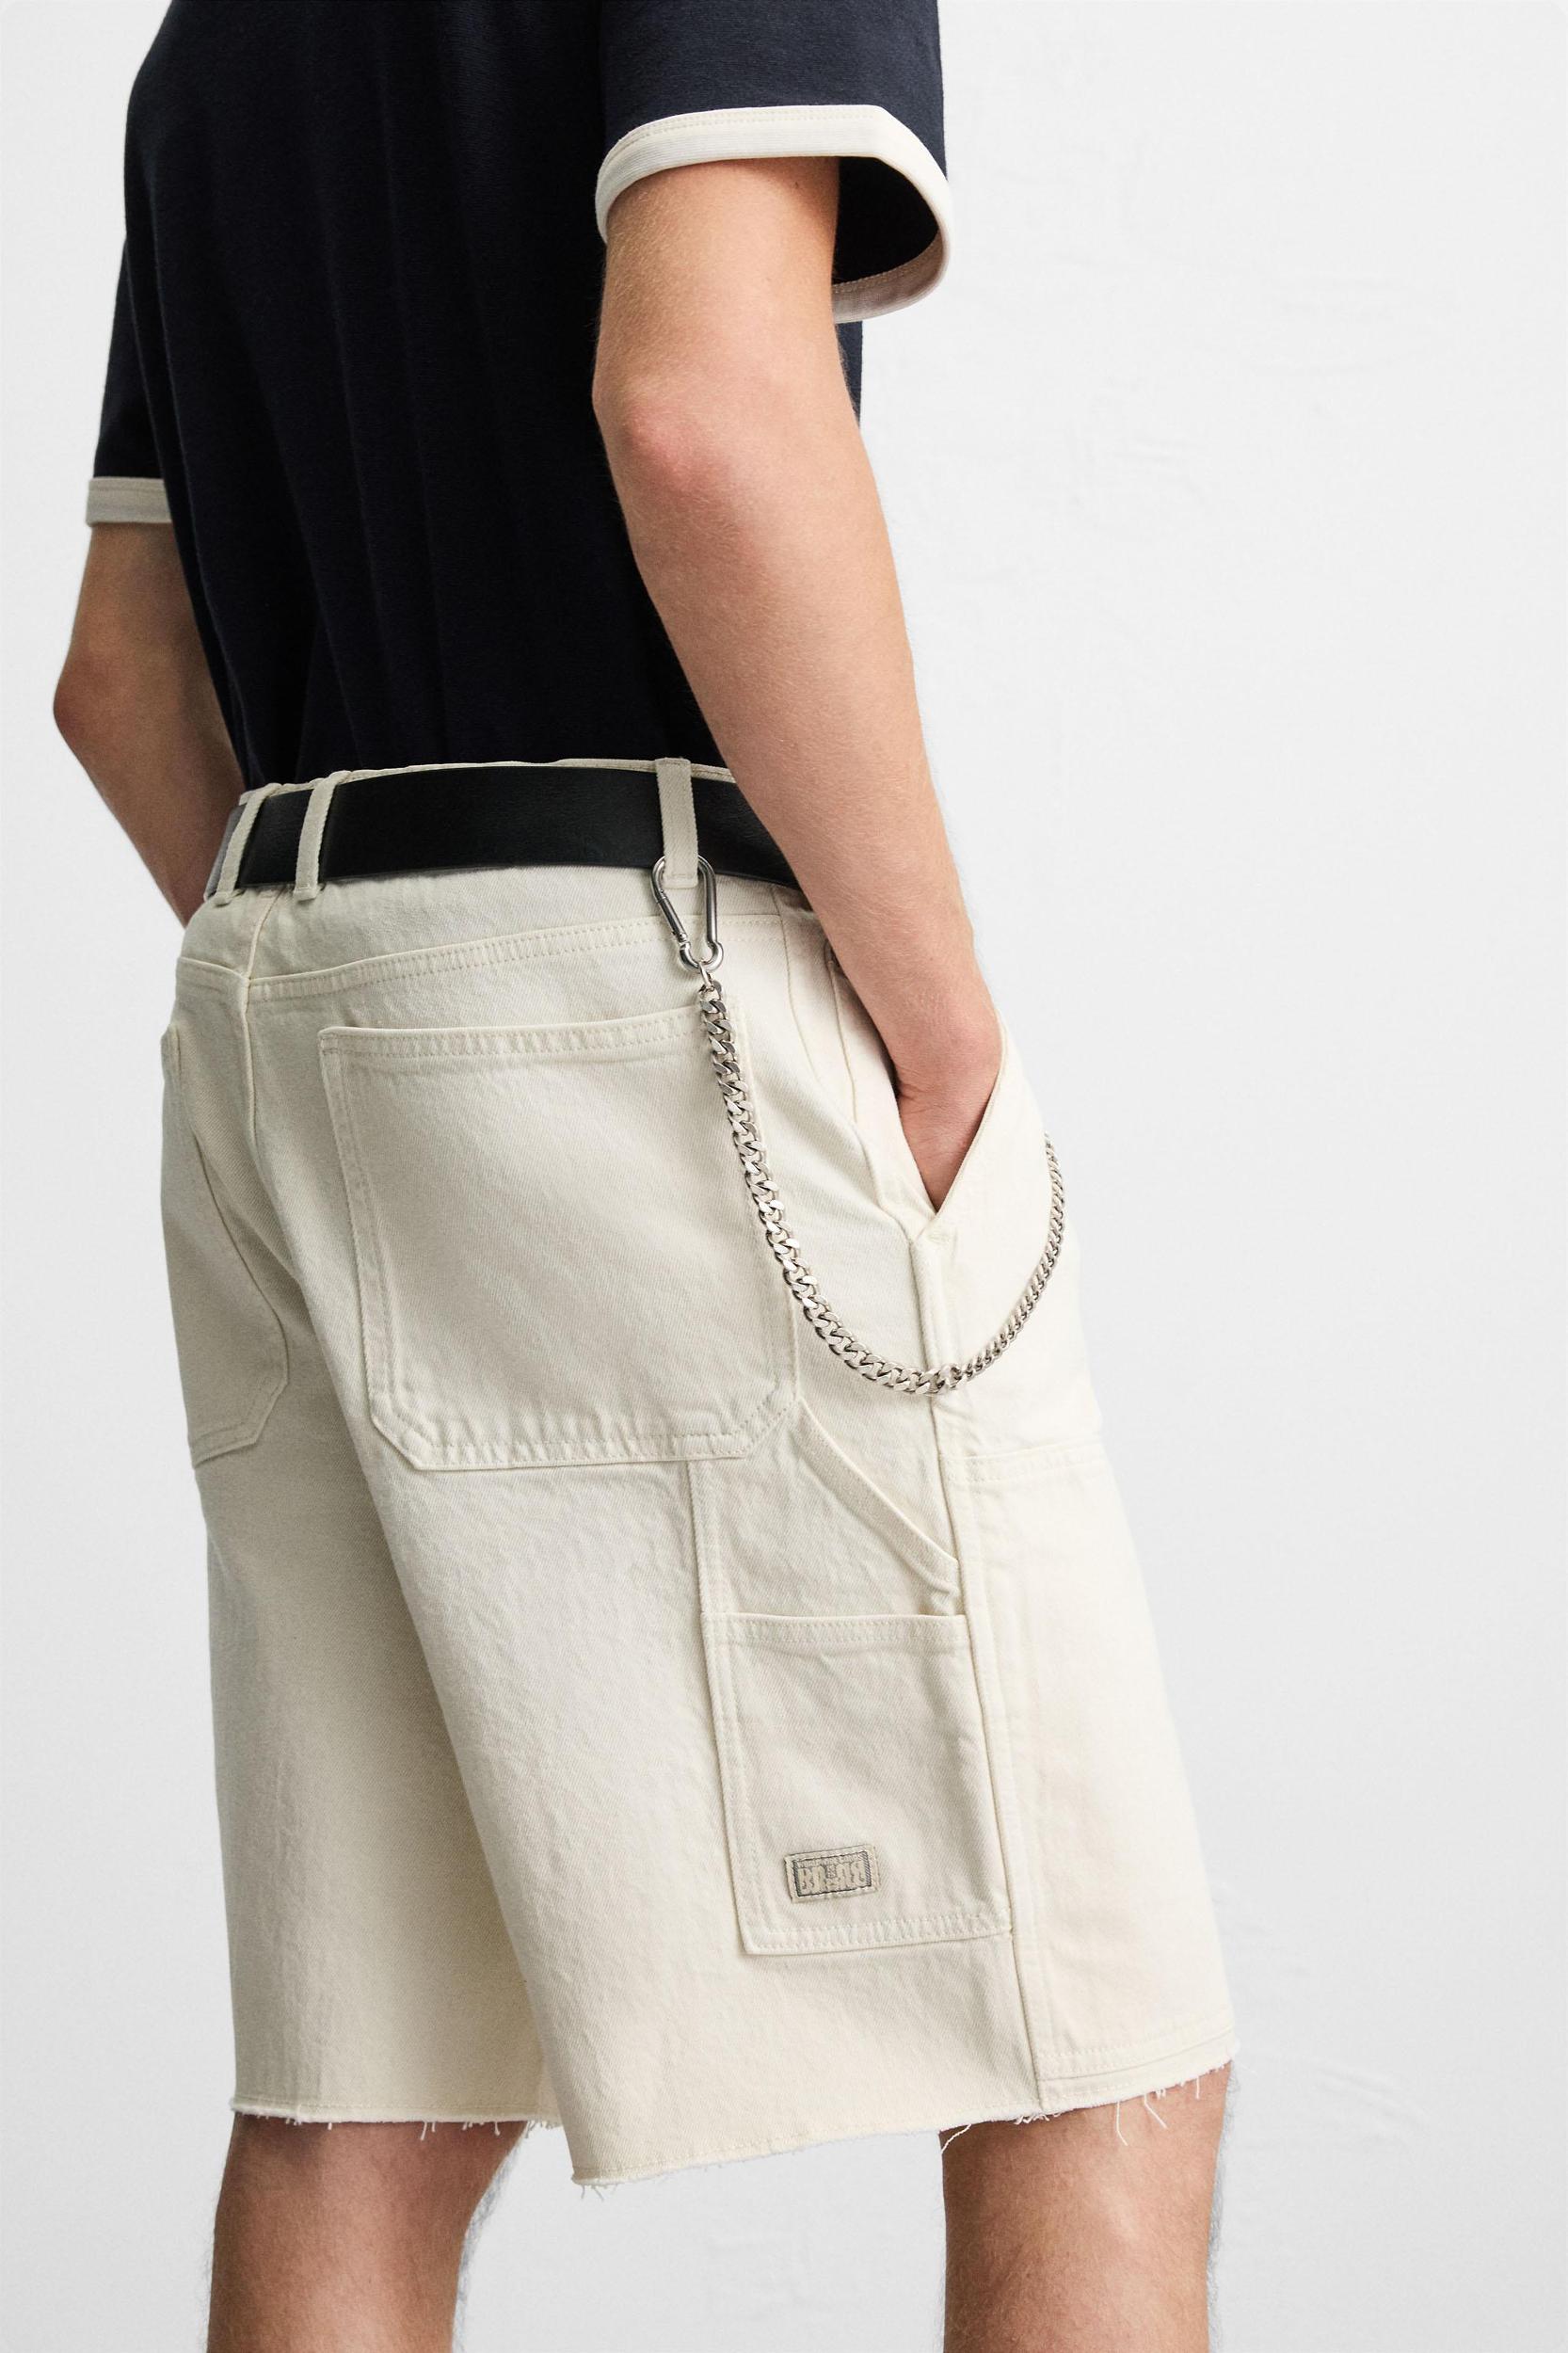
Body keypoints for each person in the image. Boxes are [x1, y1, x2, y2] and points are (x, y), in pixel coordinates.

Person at [55, 4, 1236, 2345]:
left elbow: (120, 666)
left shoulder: (205, 38)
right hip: (647, 960)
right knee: (1084, 2038)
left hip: (286, 989)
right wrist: (934, 1029)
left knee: (366, 2086)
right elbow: (696, 406)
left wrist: (398, 1007)